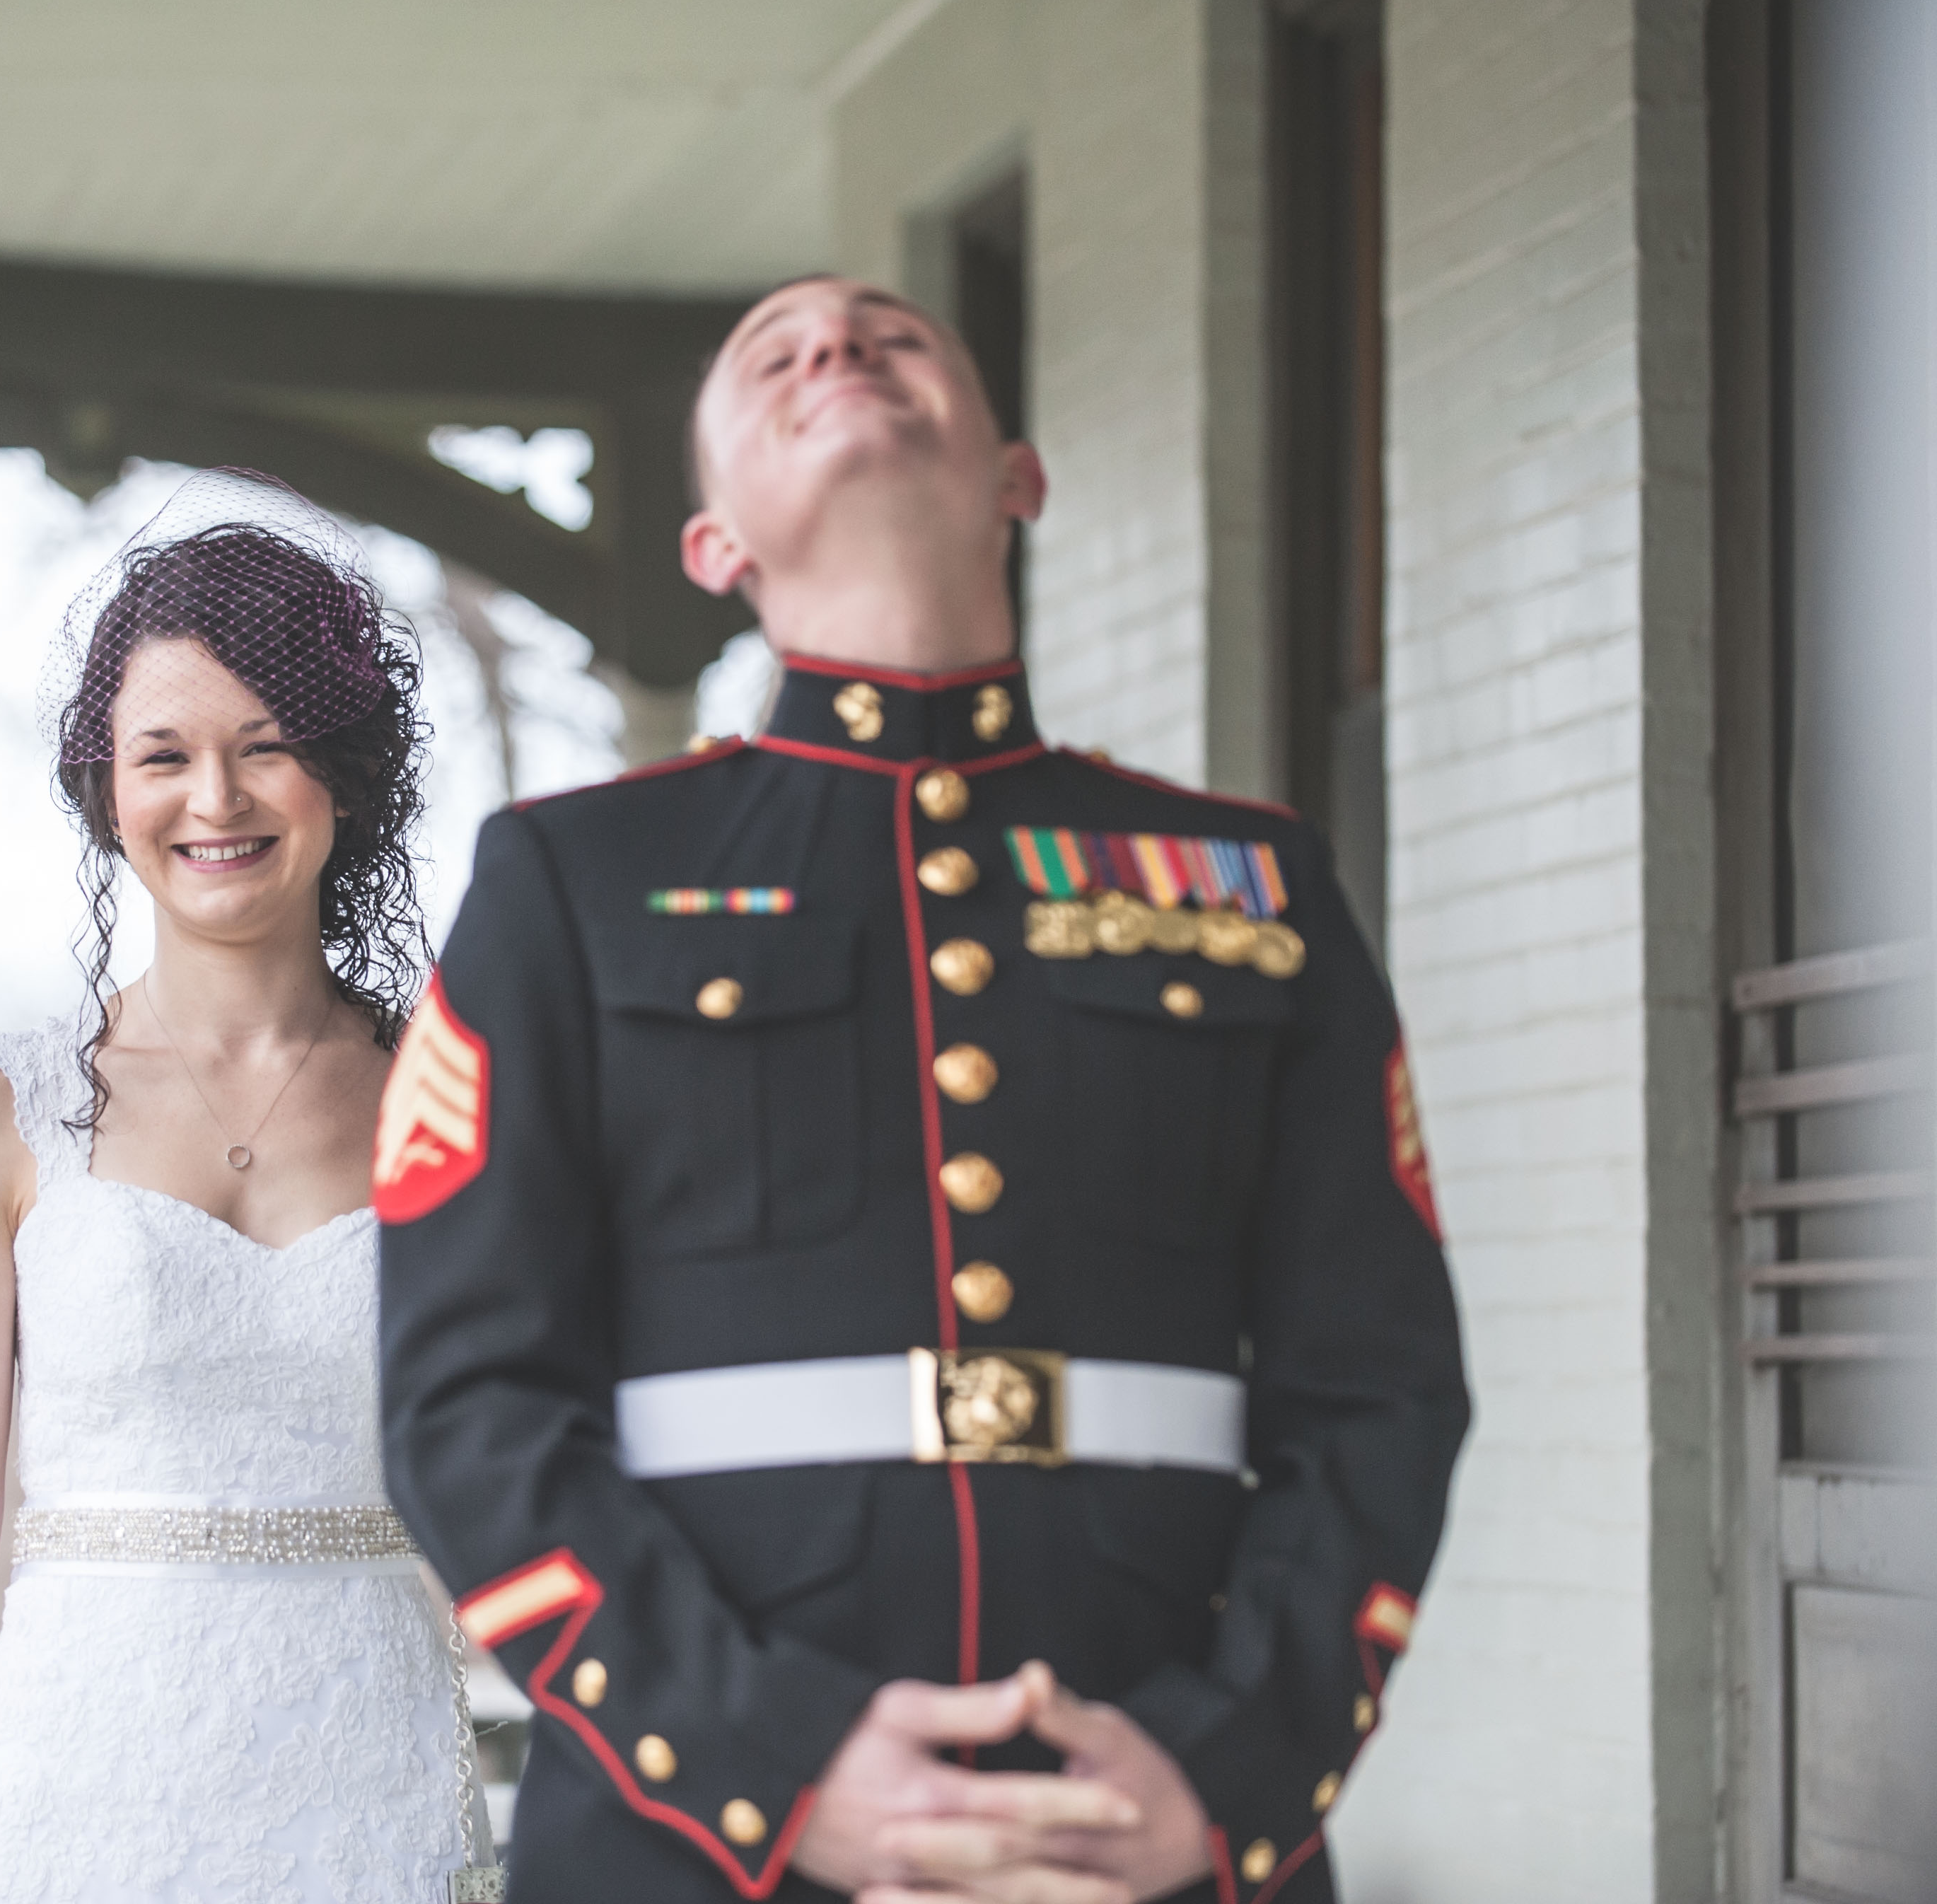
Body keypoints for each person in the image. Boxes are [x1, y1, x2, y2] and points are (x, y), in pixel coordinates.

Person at [375, 279, 1469, 1904]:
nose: (836, 348)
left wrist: (1223, 1773)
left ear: (1019, 476)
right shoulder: (574, 880)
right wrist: (775, 1766)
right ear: (714, 547)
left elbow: (1377, 1387)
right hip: (703, 1838)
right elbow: (468, 1405)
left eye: (893, 337)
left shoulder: (1252, 884)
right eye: (777, 354)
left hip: (1152, 1832)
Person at [0, 471, 486, 1904]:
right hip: (70, 1805)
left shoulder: (458, 1100)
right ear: (105, 789)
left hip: (373, 1798)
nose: (215, 799)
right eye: (164, 755)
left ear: (347, 773)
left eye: (267, 748)